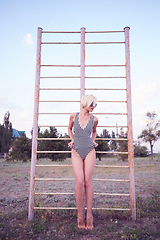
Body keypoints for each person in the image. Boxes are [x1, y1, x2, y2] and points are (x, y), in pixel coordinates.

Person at [68, 94, 98, 230]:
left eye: (95, 105)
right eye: (92, 104)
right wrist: (72, 139)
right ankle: (80, 215)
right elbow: (69, 129)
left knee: (88, 182)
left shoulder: (95, 119)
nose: (93, 107)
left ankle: (89, 216)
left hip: (90, 150)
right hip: (76, 150)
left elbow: (94, 131)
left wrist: (93, 141)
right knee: (79, 181)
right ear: (85, 103)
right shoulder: (73, 116)